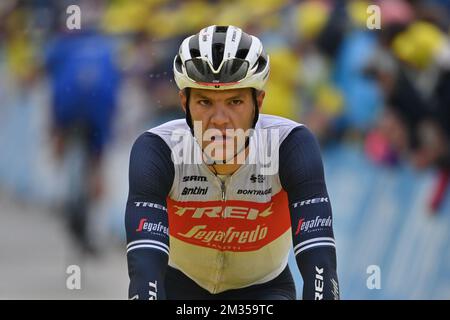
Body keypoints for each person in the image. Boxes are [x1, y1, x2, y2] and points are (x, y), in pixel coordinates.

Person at [125, 25, 339, 300]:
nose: (220, 120)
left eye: (235, 101)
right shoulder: (159, 150)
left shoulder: (289, 146)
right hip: (180, 288)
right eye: (204, 102)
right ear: (184, 102)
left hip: (264, 290)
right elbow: (145, 272)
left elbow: (319, 264)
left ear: (258, 102)